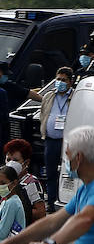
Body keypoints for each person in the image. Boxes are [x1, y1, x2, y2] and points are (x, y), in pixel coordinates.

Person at [36, 68, 75, 209]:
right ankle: (51, 202)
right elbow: (43, 114)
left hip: (69, 142)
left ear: (70, 82)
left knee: (69, 173)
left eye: (63, 80)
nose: (60, 82)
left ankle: (68, 203)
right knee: (51, 173)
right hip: (51, 140)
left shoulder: (75, 96)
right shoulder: (49, 96)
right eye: (58, 79)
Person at [3, 139, 48, 220]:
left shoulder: (31, 183)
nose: (11, 163)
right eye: (8, 160)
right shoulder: (1, 182)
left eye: (15, 160)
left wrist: (16, 211)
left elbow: (41, 213)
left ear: (26, 163)